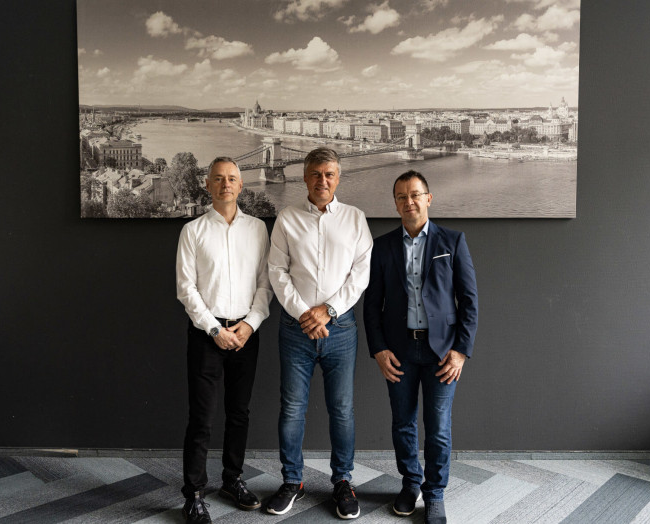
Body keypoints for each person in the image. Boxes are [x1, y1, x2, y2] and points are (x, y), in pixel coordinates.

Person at [363, 171, 478, 524]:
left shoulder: (453, 241)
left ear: (429, 198)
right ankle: (410, 483)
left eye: (415, 195)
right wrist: (379, 350)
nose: (408, 202)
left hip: (441, 353)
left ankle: (435, 493)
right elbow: (372, 306)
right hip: (398, 352)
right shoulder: (381, 247)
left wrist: (461, 351)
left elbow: (470, 301)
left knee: (438, 427)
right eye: (401, 197)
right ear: (395, 202)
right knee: (402, 424)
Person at [266, 147, 373, 519]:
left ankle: (343, 482)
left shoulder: (356, 219)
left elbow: (360, 274)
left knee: (342, 409)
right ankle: (291, 481)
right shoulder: (286, 218)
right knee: (292, 408)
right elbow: (277, 272)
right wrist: (303, 313)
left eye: (329, 174)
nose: (322, 181)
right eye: (315, 174)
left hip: (340, 329)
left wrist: (326, 311)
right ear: (304, 177)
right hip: (295, 330)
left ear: (338, 177)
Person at [176, 157, 273, 524]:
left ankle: (232, 479)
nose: (225, 184)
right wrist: (214, 330)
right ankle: (195, 494)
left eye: (232, 178)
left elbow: (266, 284)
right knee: (201, 417)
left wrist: (251, 324)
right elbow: (186, 290)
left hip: (247, 332)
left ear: (241, 185)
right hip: (206, 335)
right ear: (208, 185)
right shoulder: (193, 231)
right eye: (218, 179)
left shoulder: (258, 230)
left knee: (239, 412)